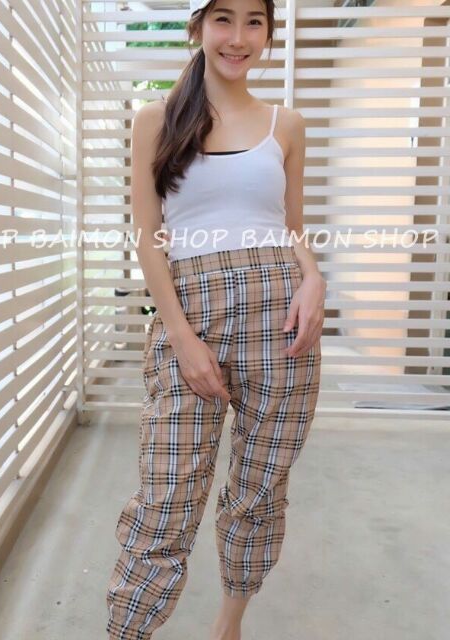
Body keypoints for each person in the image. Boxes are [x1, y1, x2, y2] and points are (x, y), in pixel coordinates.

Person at [106, 0, 326, 638]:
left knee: (260, 490)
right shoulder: (156, 120)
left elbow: (292, 227)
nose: (238, 37)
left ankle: (229, 625)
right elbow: (149, 237)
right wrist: (180, 336)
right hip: (191, 317)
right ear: (198, 27)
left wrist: (314, 277)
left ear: (269, 32)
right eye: (223, 19)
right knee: (165, 498)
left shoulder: (287, 124)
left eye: (254, 21)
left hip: (281, 323)